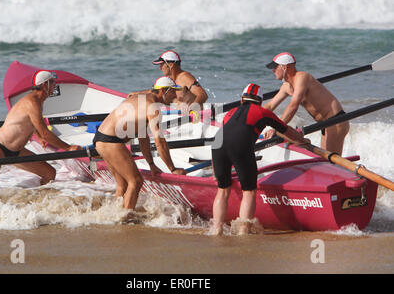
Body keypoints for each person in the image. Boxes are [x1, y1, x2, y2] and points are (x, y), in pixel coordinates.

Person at [211, 83, 310, 235]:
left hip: (217, 146)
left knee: (223, 190)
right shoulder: (263, 112)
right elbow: (286, 130)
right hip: (240, 146)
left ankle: (216, 230)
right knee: (249, 191)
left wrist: (215, 170)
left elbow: (225, 136)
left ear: (242, 99)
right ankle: (243, 232)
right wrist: (302, 140)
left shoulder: (230, 112)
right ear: (260, 101)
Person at [93, 76, 187, 210]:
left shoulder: (141, 99)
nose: (175, 96)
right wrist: (173, 169)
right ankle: (125, 218)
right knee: (136, 181)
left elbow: (143, 139)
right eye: (173, 92)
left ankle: (114, 214)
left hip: (100, 139)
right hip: (111, 141)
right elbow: (159, 141)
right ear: (164, 91)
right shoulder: (153, 107)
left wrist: (151, 164)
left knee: (122, 184)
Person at [0, 70, 82, 193]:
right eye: (53, 83)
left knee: (49, 173)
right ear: (45, 85)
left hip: (16, 151)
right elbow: (46, 133)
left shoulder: (38, 102)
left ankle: (34, 200)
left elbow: (32, 123)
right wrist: (68, 148)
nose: (55, 86)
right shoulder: (32, 102)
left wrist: (39, 136)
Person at [263, 52, 349, 155]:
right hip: (324, 125)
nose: (273, 70)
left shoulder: (302, 77)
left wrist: (277, 128)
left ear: (285, 67)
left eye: (275, 67)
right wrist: (253, 119)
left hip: (336, 121)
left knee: (331, 164)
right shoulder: (286, 86)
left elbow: (293, 106)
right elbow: (270, 105)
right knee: (324, 161)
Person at [128, 50, 208, 112]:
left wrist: (191, 108)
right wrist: (137, 94)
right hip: (180, 116)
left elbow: (203, 95)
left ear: (170, 65)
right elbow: (155, 92)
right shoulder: (169, 80)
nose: (160, 68)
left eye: (161, 64)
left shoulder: (184, 77)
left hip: (195, 119)